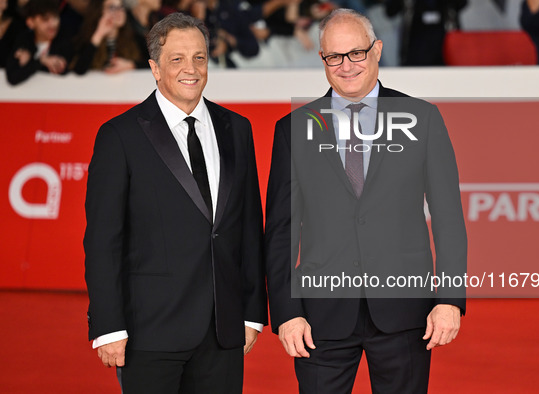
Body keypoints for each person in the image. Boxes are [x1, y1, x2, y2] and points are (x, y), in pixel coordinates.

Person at [265, 8, 467, 393]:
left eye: (355, 53)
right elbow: (280, 230)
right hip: (319, 318)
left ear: (376, 50)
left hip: (405, 313)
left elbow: (448, 218)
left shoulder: (422, 119)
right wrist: (287, 312)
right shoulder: (294, 129)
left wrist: (450, 299)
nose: (345, 66)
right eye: (333, 57)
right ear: (322, 59)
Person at [84, 12, 267, 393]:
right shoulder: (120, 135)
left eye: (199, 57)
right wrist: (107, 326)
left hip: (223, 332)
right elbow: (103, 240)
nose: (191, 69)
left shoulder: (237, 128)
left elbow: (249, 226)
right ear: (155, 68)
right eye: (177, 59)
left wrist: (251, 313)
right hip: (149, 332)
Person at [70, 0, 149, 74]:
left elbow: (157, 62)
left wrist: (131, 65)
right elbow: (79, 69)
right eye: (112, 8)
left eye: (121, 7)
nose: (119, 12)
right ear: (100, 11)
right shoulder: (88, 38)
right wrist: (98, 34)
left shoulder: (134, 38)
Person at [5, 0, 71, 84]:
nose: (53, 24)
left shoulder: (64, 40)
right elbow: (12, 77)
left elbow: (62, 71)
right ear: (30, 22)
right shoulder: (24, 39)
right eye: (45, 20)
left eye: (55, 17)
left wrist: (29, 63)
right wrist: (41, 61)